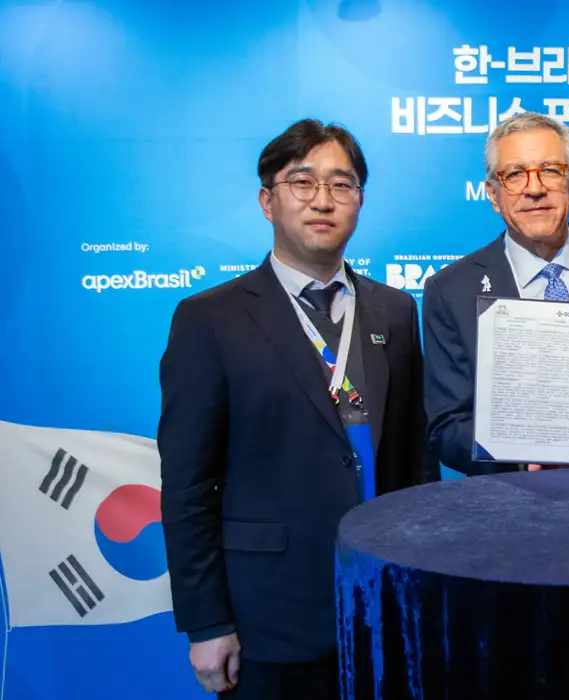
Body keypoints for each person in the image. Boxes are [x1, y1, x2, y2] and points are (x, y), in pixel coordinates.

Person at [158, 118, 438, 699]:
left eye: (341, 184)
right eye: (302, 182)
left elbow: (416, 463)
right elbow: (187, 487)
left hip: (386, 603)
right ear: (268, 201)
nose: (322, 200)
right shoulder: (210, 319)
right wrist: (207, 622)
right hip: (269, 615)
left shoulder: (394, 311)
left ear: (359, 201)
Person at [422, 111, 569, 476]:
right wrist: (522, 456)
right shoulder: (451, 290)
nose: (534, 188)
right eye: (514, 174)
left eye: (551, 170)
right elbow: (447, 426)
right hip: (517, 499)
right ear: (493, 195)